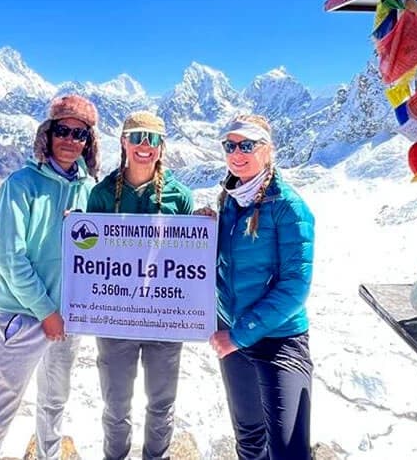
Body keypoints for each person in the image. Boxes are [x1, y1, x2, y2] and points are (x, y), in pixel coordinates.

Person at [0, 94, 101, 460]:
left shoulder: (88, 190)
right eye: (63, 131)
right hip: (24, 319)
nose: (71, 140)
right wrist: (46, 312)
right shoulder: (20, 185)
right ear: (48, 134)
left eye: (80, 134)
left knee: (54, 405)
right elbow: (10, 259)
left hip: (68, 318)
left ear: (89, 142)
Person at [86, 111, 194, 460]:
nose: (143, 146)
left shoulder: (180, 197)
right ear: (123, 143)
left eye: (152, 139)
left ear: (162, 146)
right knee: (116, 405)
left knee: (161, 404)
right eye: (136, 137)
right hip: (116, 319)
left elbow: (190, 258)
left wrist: (204, 227)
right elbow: (89, 258)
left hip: (164, 318)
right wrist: (76, 231)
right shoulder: (102, 194)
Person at [206, 114, 315, 460]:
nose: (237, 153)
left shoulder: (289, 207)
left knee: (288, 450)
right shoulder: (229, 202)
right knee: (250, 440)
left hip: (279, 340)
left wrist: (239, 335)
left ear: (268, 151)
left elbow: (295, 287)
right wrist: (201, 233)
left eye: (247, 145)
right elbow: (220, 265)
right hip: (233, 334)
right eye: (230, 145)